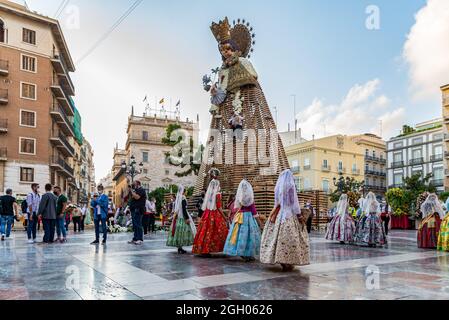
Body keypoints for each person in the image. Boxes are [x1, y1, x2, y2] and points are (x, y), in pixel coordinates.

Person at [260, 170, 310, 271]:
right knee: (292, 238)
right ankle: (289, 261)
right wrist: (299, 215)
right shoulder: (291, 186)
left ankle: (281, 260)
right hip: (289, 214)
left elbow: (276, 203)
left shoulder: (277, 188)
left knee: (277, 238)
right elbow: (294, 204)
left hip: (279, 215)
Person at [223, 180, 261, 262]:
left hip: (239, 216)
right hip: (248, 217)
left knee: (239, 235)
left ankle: (242, 252)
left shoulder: (240, 198)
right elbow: (253, 211)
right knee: (249, 236)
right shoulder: (250, 198)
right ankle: (247, 253)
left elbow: (238, 208)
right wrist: (260, 223)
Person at [192, 176, 229, 256]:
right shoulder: (217, 194)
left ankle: (204, 249)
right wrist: (224, 217)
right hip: (214, 214)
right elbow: (219, 207)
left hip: (207, 213)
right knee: (218, 231)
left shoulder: (208, 193)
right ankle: (220, 248)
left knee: (205, 231)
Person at [167, 186, 197, 254]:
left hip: (178, 217)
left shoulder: (178, 198)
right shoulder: (183, 197)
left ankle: (179, 247)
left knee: (178, 232)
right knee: (184, 231)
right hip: (183, 216)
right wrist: (187, 218)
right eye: (185, 191)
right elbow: (184, 209)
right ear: (183, 191)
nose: (186, 192)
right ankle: (180, 247)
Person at [128, 180, 147, 245]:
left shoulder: (141, 190)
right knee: (135, 225)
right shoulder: (135, 190)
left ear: (138, 184)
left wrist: (131, 190)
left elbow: (137, 197)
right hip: (134, 209)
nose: (133, 185)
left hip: (138, 209)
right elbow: (133, 196)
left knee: (138, 224)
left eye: (134, 184)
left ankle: (140, 239)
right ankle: (135, 238)